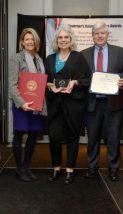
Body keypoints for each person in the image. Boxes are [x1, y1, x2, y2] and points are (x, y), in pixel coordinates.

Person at [81, 22, 123, 181]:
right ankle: (92, 168)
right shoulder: (83, 54)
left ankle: (113, 169)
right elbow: (81, 77)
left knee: (113, 138)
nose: (100, 36)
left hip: (113, 103)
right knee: (92, 138)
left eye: (102, 33)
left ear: (108, 34)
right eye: (96, 33)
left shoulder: (120, 52)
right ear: (92, 36)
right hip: (92, 103)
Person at [45, 25, 91, 185]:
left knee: (72, 137)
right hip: (54, 105)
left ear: (71, 40)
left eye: (66, 37)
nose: (63, 40)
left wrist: (74, 82)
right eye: (60, 37)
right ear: (56, 40)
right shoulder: (49, 58)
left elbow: (88, 79)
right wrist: (48, 85)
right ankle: (56, 167)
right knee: (54, 137)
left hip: (73, 105)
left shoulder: (78, 57)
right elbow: (43, 80)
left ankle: (70, 169)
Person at [9, 28, 46, 182]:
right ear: (22, 42)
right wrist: (22, 103)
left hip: (36, 104)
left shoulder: (39, 59)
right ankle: (19, 169)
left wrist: (48, 85)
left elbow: (39, 82)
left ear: (36, 41)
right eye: (27, 39)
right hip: (22, 104)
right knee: (19, 134)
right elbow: (12, 84)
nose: (30, 42)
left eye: (32, 39)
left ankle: (26, 167)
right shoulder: (16, 58)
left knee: (33, 135)